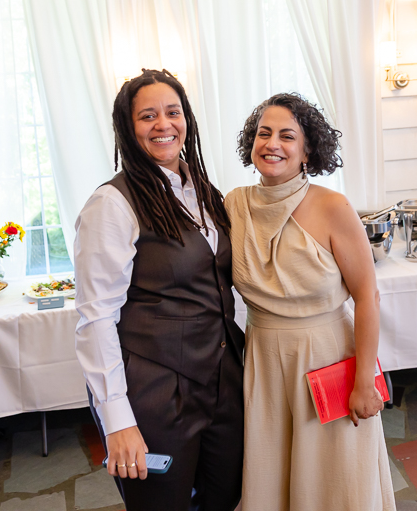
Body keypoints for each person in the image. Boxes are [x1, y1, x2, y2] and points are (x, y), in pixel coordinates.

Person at [74, 69, 245, 511]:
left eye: (172, 112)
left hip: (223, 381)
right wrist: (117, 421)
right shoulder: (111, 204)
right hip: (154, 393)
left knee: (224, 500)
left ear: (187, 118)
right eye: (147, 116)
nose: (163, 124)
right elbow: (95, 318)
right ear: (128, 129)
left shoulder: (203, 190)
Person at [225, 93, 396, 510]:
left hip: (328, 357)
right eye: (263, 133)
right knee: (271, 477)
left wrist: (362, 384)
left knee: (335, 480)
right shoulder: (234, 205)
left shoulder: (333, 207)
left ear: (307, 150)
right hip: (264, 360)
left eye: (287, 135)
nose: (272, 144)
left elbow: (368, 298)